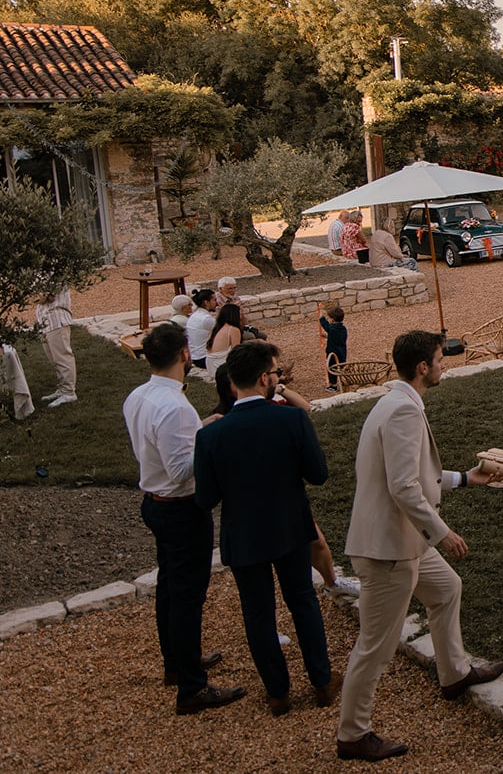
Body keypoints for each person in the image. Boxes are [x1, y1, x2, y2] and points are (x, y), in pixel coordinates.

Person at [336, 330, 503, 762]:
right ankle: (353, 734)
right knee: (376, 646)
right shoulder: (402, 413)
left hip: (402, 540)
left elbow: (415, 475)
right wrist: (442, 533)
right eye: (439, 359)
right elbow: (404, 487)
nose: (444, 364)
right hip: (388, 548)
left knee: (446, 589)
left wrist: (466, 478)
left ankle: (454, 674)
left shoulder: (397, 403)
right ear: (422, 367)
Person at [194, 341, 338, 717]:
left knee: (257, 614)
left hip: (243, 534)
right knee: (302, 601)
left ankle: (278, 693)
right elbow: (318, 475)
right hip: (290, 527)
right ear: (263, 378)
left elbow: (206, 497)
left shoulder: (209, 435)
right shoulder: (291, 420)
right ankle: (321, 682)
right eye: (276, 373)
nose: (278, 378)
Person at [122, 323, 245, 716]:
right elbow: (181, 470)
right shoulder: (174, 407)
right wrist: (214, 450)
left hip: (154, 502)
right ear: (185, 356)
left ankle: (177, 663)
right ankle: (192, 687)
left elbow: (162, 447)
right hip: (180, 508)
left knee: (169, 588)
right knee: (187, 597)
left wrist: (204, 429)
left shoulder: (139, 396)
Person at [36, 286, 77, 408]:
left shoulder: (55, 271)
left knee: (62, 357)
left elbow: (46, 297)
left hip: (56, 318)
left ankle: (69, 392)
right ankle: (62, 388)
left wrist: (36, 296)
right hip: (45, 320)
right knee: (54, 358)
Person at [204, 303, 244, 376]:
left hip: (211, 365)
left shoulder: (217, 328)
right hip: (221, 365)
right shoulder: (233, 329)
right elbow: (236, 353)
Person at [185, 289, 217, 370]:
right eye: (214, 300)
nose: (216, 303)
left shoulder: (194, 315)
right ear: (206, 302)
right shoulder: (206, 319)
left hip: (195, 356)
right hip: (204, 358)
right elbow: (225, 332)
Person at [321, 305, 348, 390]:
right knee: (340, 366)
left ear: (332, 319)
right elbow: (338, 338)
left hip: (333, 352)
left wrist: (321, 318)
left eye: (329, 318)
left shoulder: (332, 328)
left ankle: (333, 385)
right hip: (342, 351)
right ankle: (343, 381)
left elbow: (326, 326)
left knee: (332, 367)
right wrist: (328, 337)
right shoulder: (343, 328)